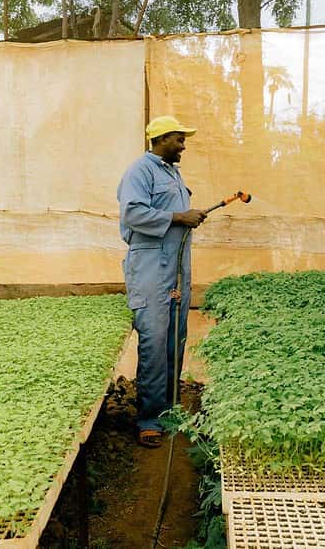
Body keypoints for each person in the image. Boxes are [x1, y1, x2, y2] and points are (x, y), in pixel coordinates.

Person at [117, 116, 209, 448]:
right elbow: (132, 213)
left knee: (175, 337)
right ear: (159, 139)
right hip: (152, 268)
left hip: (177, 269)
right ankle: (149, 418)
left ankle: (170, 410)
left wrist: (187, 214)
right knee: (155, 340)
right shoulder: (140, 171)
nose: (183, 145)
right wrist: (177, 217)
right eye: (178, 139)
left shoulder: (170, 171)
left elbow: (171, 212)